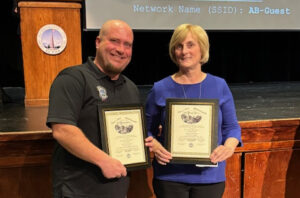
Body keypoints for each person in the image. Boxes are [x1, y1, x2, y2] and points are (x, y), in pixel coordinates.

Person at [145, 24, 242, 198]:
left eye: (190, 45)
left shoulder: (219, 86)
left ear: (202, 49)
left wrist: (229, 146)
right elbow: (146, 130)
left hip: (210, 177)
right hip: (170, 176)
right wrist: (156, 147)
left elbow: (232, 128)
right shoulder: (160, 88)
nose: (184, 51)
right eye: (179, 46)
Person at [46, 19, 140, 198]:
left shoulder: (131, 88)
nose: (121, 49)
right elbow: (62, 130)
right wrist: (104, 161)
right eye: (114, 41)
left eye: (127, 44)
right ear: (98, 42)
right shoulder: (73, 78)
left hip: (117, 191)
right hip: (77, 192)